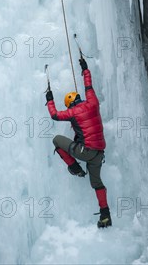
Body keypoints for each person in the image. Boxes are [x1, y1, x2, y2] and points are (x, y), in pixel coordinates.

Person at [46, 58, 112, 228]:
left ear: (69, 104)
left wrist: (49, 98)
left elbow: (55, 115)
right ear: (79, 98)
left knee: (57, 141)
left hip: (86, 151)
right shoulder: (93, 103)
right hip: (99, 154)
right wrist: (85, 68)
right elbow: (88, 86)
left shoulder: (73, 112)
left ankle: (75, 168)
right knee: (97, 183)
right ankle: (105, 215)